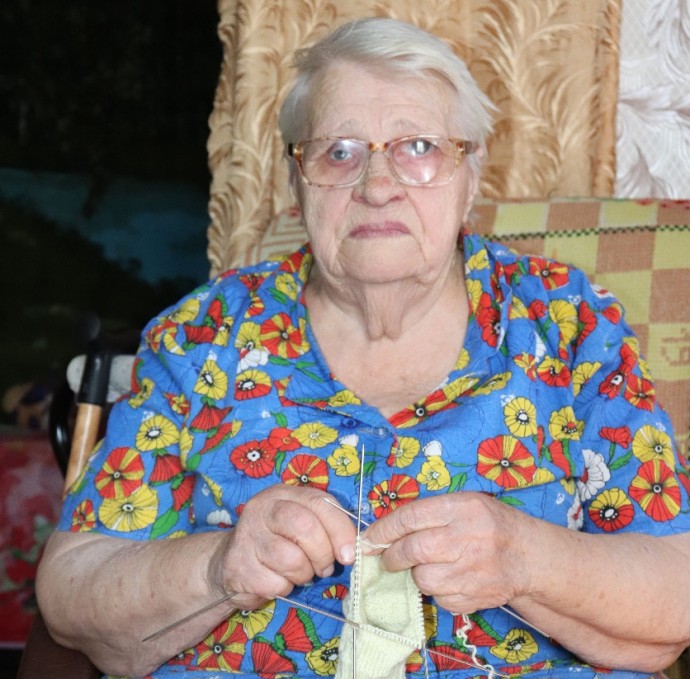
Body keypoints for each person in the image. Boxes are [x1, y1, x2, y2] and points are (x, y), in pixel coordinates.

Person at [37, 17, 690, 679]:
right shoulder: (204, 336)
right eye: (339, 152)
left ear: (470, 176)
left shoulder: (566, 323)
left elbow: (674, 593)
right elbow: (71, 591)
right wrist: (219, 566)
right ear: (297, 183)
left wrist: (525, 557)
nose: (378, 185)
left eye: (420, 147)